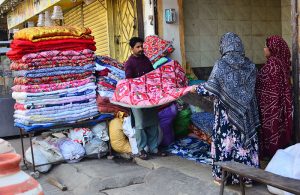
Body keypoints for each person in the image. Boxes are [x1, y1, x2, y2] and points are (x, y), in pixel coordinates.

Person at [191, 32, 260, 186]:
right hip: (245, 114)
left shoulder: (221, 64)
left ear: (224, 46)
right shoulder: (250, 66)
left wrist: (196, 88)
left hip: (225, 116)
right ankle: (247, 178)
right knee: (244, 143)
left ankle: (224, 177)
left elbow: (210, 88)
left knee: (226, 141)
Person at [124, 37, 166, 160]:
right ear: (132, 49)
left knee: (153, 121)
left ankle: (154, 149)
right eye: (137, 47)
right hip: (136, 98)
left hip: (149, 97)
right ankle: (141, 149)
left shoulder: (146, 60)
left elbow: (152, 75)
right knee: (140, 123)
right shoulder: (129, 63)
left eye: (141, 46)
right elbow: (129, 81)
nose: (141, 49)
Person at [256, 35, 293, 159]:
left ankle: (273, 156)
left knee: (272, 130)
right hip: (280, 105)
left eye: (266, 46)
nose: (264, 48)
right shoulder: (282, 63)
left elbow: (262, 84)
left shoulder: (272, 65)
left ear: (273, 48)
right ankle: (279, 155)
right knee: (279, 129)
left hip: (270, 107)